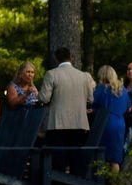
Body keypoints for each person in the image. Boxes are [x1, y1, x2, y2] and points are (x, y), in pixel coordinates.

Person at [38, 47, 95, 177]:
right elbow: (90, 98)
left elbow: (44, 98)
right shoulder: (84, 76)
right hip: (79, 123)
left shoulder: (52, 74)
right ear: (71, 57)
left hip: (58, 124)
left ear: (56, 58)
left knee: (58, 160)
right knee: (76, 159)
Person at [91, 65, 129, 171]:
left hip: (105, 123)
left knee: (101, 156)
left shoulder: (101, 89)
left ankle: (101, 184)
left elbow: (92, 102)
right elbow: (127, 106)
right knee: (115, 159)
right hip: (120, 124)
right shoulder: (123, 90)